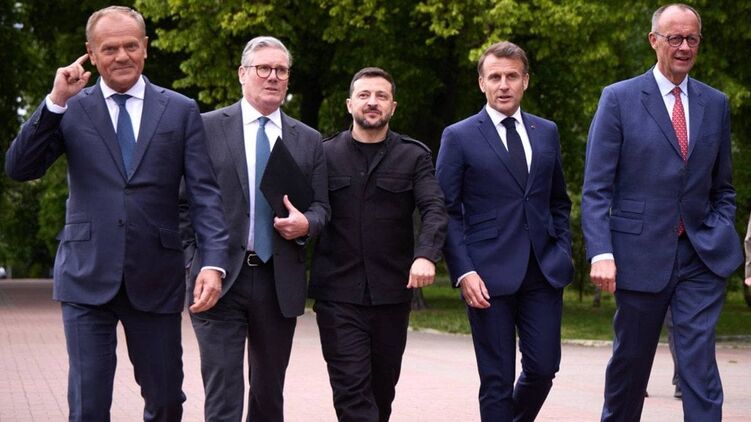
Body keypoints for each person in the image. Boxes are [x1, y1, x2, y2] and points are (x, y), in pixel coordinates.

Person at [4, 6, 229, 421]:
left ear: (145, 47)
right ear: (91, 53)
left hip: (156, 275)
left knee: (166, 402)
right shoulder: (71, 107)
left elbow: (205, 195)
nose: (121, 56)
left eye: (130, 46)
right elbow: (20, 168)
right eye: (109, 48)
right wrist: (55, 101)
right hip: (86, 276)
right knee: (88, 405)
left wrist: (213, 263)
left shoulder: (180, 110)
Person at [581, 4, 743, 421]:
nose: (684, 47)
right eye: (675, 38)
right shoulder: (618, 99)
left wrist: (720, 227)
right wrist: (601, 252)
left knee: (698, 368)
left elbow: (723, 186)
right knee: (631, 366)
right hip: (638, 256)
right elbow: (596, 188)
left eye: (692, 39)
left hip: (700, 256)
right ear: (654, 41)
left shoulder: (715, 103)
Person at [180, 36, 329, 422]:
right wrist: (194, 261)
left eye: (281, 70)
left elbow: (322, 208)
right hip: (218, 277)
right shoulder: (206, 128)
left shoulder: (308, 139)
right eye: (263, 68)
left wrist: (306, 224)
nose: (273, 76)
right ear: (242, 74)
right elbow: (180, 205)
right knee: (223, 392)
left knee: (268, 394)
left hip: (278, 280)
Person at [436, 41, 573, 422]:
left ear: (525, 80)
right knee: (497, 379)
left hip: (543, 271)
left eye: (511, 76)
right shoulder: (459, 136)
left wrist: (562, 249)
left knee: (543, 368)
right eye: (494, 77)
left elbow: (558, 201)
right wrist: (464, 271)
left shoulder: (546, 132)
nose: (503, 84)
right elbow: (446, 210)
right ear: (481, 83)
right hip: (486, 276)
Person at [309, 67, 447, 422]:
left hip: (392, 296)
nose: (372, 102)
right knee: (352, 394)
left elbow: (434, 208)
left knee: (381, 395)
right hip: (337, 296)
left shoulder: (414, 156)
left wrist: (426, 256)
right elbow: (304, 211)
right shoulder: (322, 155)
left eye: (381, 96)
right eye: (364, 95)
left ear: (393, 106)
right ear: (349, 104)